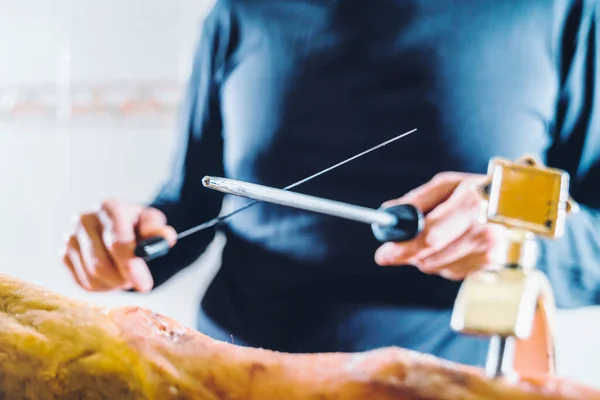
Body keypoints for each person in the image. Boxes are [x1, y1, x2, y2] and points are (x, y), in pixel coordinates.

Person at [62, 0, 600, 367]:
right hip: (236, 372)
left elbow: (593, 236)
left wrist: (511, 236)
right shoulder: (242, 12)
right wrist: (124, 244)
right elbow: (190, 208)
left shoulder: (561, 11)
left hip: (444, 380)